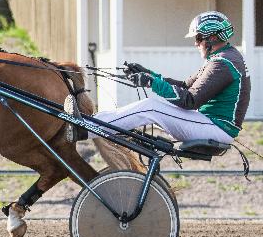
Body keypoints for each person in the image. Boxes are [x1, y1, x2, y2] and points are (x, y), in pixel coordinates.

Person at [87, 11, 250, 144]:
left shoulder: (223, 63)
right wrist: (150, 75)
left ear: (212, 38)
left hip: (217, 128)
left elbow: (189, 101)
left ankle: (87, 128)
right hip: (210, 123)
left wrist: (151, 82)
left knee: (150, 108)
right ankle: (92, 121)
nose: (196, 43)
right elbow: (185, 86)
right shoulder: (224, 57)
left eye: (198, 38)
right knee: (150, 107)